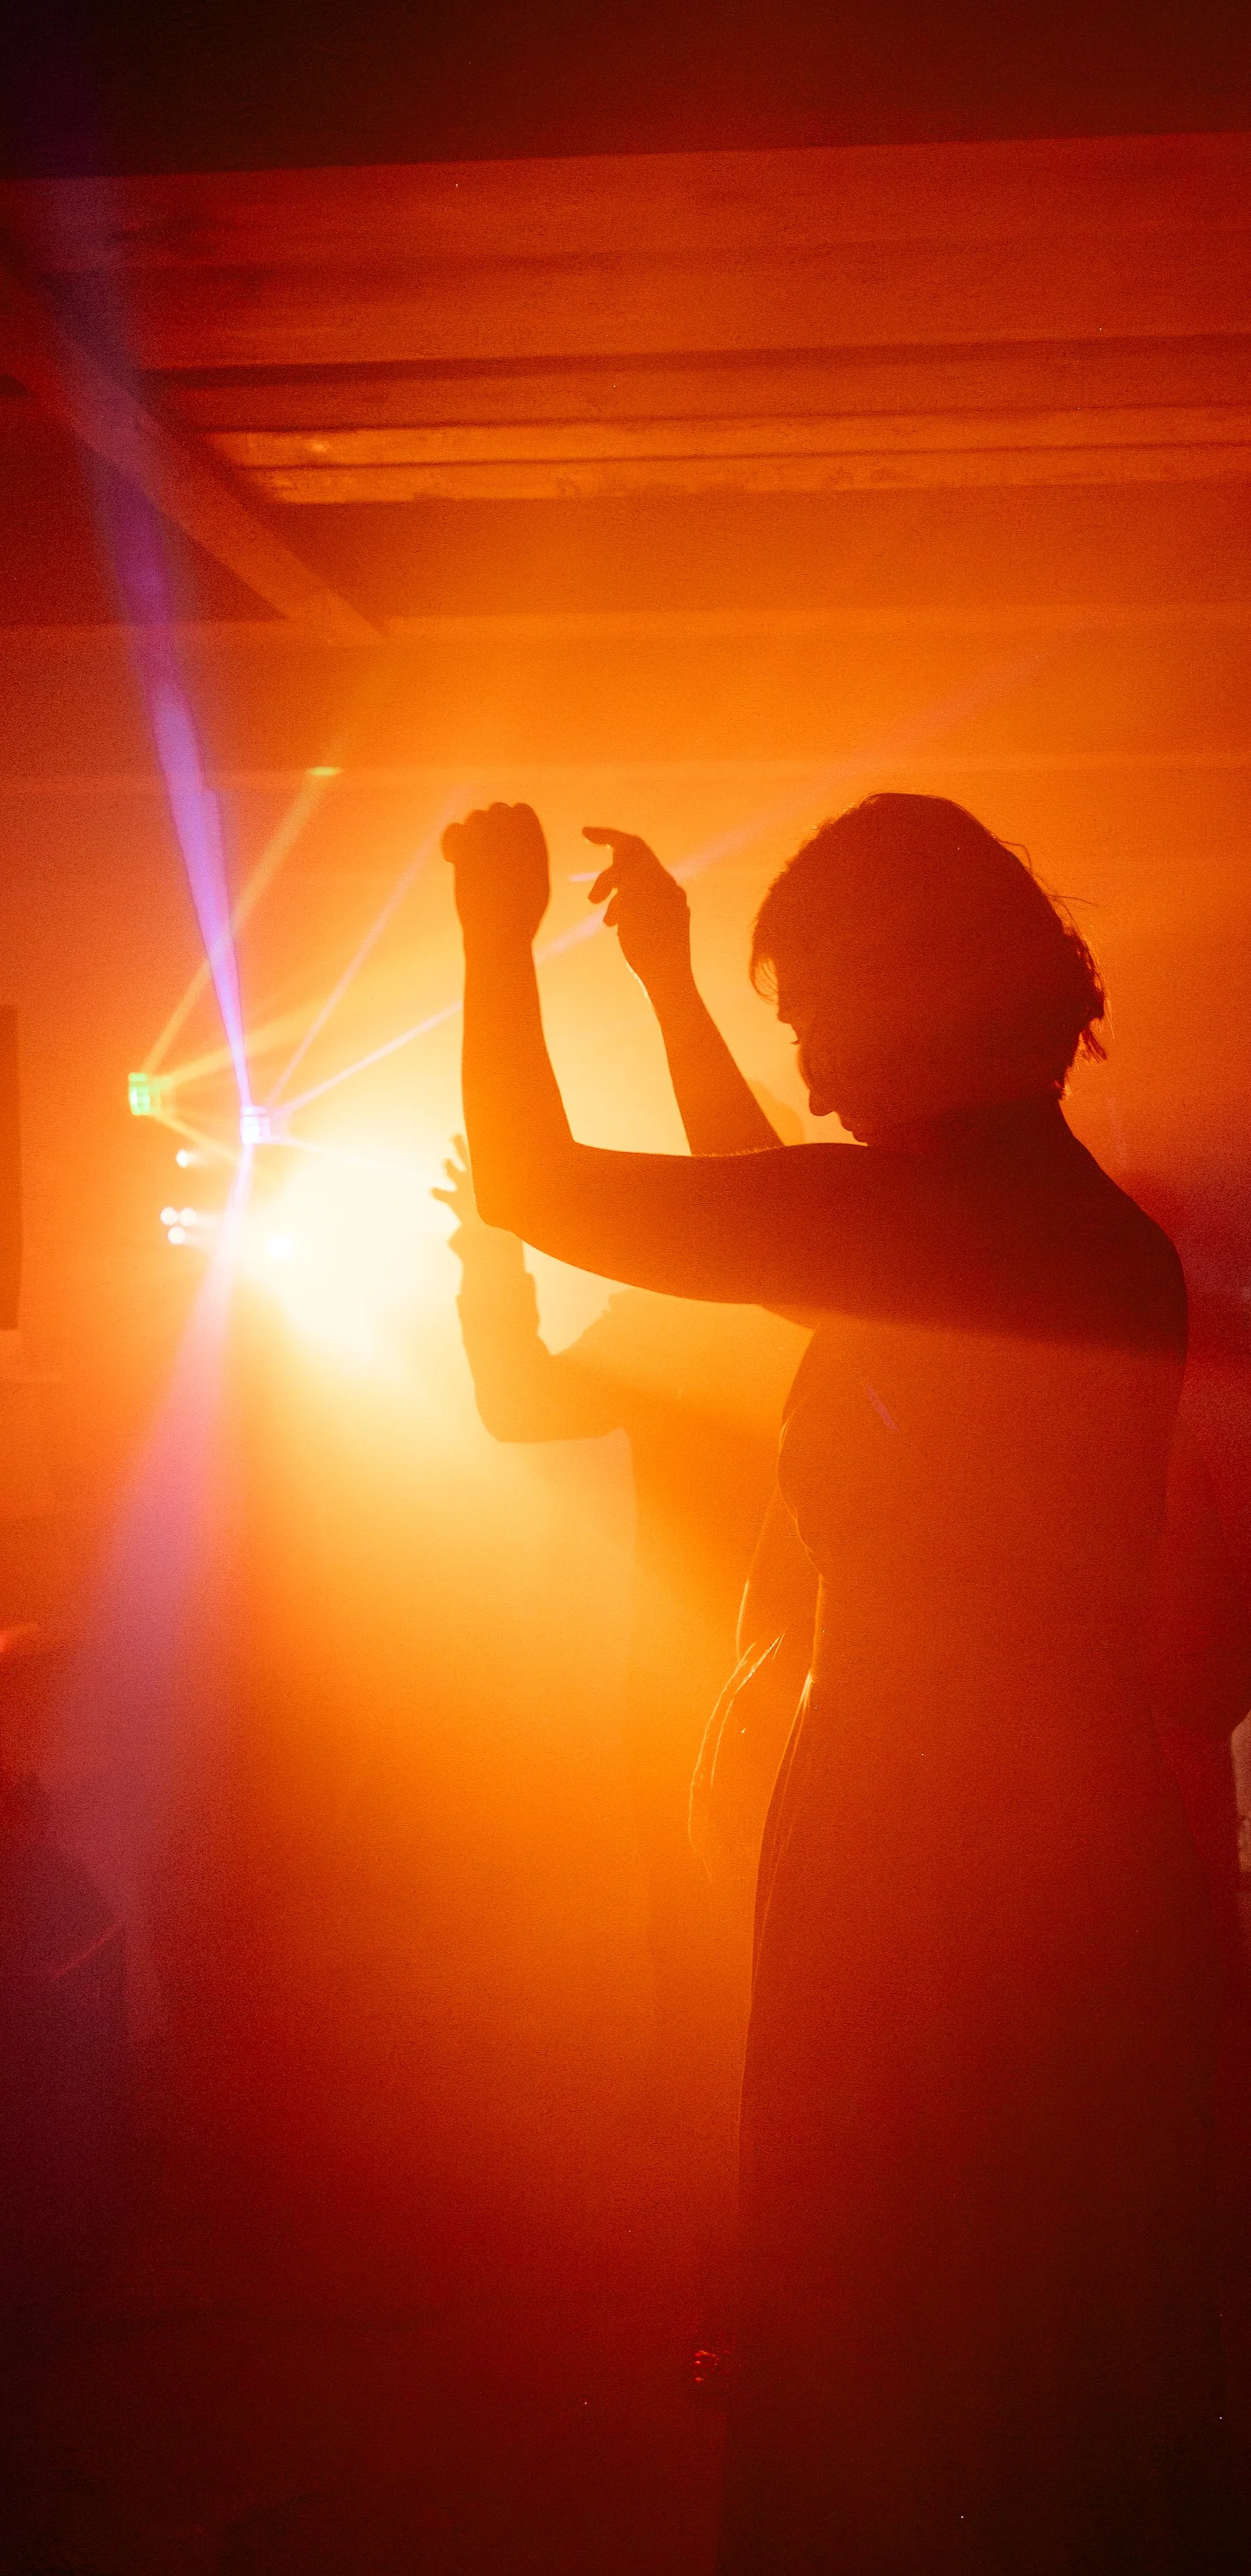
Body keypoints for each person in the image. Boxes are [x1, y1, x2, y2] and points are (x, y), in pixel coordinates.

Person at [446, 790, 1227, 2576]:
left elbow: (554, 1188)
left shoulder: (935, 1221)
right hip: (1065, 1840)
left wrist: (493, 933)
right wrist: (660, 973)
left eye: (807, 1000)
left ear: (907, 988)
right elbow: (775, 1214)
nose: (799, 1050)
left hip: (919, 1852)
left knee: (896, 2325)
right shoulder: (1055, 1219)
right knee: (1046, 2327)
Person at [435, 835, 806, 2332]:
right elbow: (745, 1189)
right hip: (763, 1682)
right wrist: (662, 968)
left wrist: (488, 1257)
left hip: (729, 1689)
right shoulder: (769, 1306)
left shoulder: (715, 1318)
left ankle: (749, 2297)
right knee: (763, 1997)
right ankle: (776, 2289)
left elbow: (520, 1403)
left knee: (734, 1991)